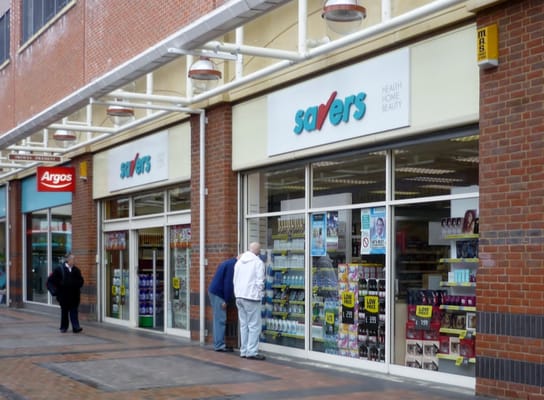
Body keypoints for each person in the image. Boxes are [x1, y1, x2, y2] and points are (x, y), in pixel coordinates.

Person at [233, 242, 265, 360]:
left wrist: (237, 293)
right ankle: (252, 351)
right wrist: (259, 294)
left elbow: (235, 279)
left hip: (239, 296)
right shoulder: (258, 262)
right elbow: (260, 281)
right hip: (251, 297)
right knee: (254, 326)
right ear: (257, 251)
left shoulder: (239, 262)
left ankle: (244, 350)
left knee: (244, 325)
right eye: (259, 250)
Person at [208, 255, 239, 352]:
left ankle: (219, 343)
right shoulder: (233, 266)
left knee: (218, 319)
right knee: (220, 319)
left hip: (215, 291)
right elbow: (228, 284)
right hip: (219, 294)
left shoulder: (228, 262)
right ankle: (219, 345)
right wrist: (226, 300)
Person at [51, 253, 84, 333]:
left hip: (74, 295)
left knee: (74, 312)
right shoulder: (59, 269)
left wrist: (77, 284)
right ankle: (64, 327)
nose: (75, 261)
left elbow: (81, 281)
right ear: (68, 260)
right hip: (64, 296)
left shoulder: (76, 270)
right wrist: (60, 286)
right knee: (64, 312)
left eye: (75, 259)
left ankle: (76, 327)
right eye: (73, 259)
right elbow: (54, 280)